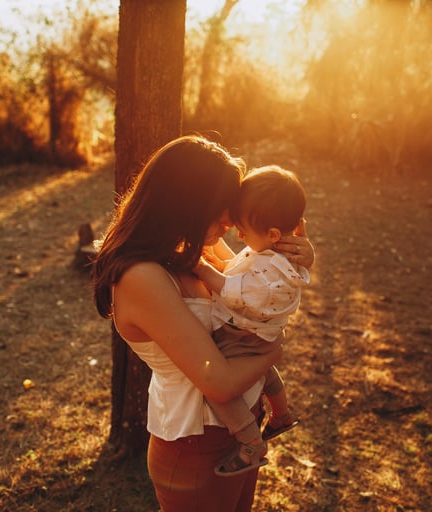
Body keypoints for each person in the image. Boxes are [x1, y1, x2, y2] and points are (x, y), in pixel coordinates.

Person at [92, 136, 314, 512]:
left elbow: (256, 282)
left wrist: (300, 256)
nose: (230, 220)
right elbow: (219, 382)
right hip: (195, 444)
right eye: (220, 209)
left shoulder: (197, 245)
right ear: (186, 204)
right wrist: (274, 350)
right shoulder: (141, 277)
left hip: (241, 430)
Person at [196, 165, 309, 477]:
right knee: (264, 370)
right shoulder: (273, 253)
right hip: (261, 336)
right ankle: (282, 414)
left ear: (273, 234)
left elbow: (237, 292)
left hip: (241, 336)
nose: (237, 233)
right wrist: (220, 265)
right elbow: (239, 269)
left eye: (243, 229)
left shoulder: (273, 270)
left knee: (219, 388)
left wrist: (204, 270)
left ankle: (250, 442)